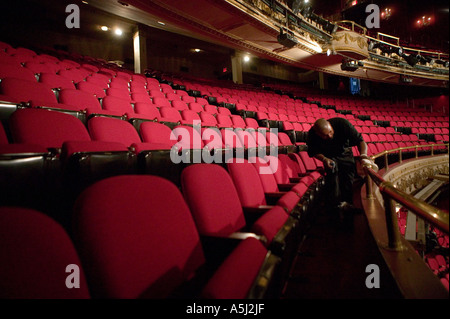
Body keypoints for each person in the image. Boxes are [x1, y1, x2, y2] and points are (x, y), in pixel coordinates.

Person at [306, 117, 372, 221]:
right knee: (333, 182)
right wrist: (324, 159)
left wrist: (363, 155)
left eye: (331, 132)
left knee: (348, 180)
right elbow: (314, 152)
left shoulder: (342, 123)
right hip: (329, 157)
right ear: (317, 133)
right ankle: (334, 210)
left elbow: (360, 141)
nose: (330, 136)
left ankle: (349, 206)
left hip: (345, 153)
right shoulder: (312, 135)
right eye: (325, 135)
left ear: (330, 125)